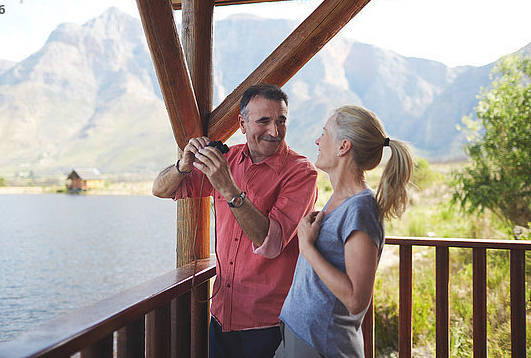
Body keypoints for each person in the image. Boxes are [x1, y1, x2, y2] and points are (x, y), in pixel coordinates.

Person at [152, 83, 318, 358]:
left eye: (281, 120)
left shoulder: (302, 173)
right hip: (222, 315)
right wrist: (183, 165)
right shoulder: (227, 158)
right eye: (264, 121)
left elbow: (271, 242)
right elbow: (160, 189)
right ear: (242, 123)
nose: (275, 131)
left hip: (270, 321)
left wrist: (227, 187)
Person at [275, 105, 413, 358]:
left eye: (325, 133)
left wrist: (307, 248)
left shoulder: (361, 208)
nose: (317, 140)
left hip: (319, 345)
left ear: (343, 147)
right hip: (297, 335)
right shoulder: (338, 201)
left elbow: (355, 299)